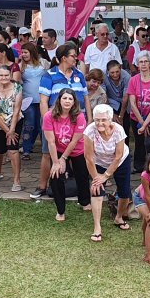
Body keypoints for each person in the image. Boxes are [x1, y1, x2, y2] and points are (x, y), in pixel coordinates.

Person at [31, 44, 89, 200]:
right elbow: (44, 102)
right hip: (54, 123)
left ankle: (79, 189)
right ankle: (42, 185)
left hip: (77, 123)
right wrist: (46, 123)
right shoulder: (49, 75)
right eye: (73, 55)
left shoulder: (79, 75)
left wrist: (89, 121)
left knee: (78, 155)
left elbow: (86, 99)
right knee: (47, 153)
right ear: (64, 58)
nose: (76, 58)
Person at [85, 103, 133, 238]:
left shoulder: (118, 130)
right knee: (96, 190)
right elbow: (88, 158)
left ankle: (119, 217)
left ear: (110, 119)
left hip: (120, 161)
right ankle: (97, 227)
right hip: (99, 161)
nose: (100, 123)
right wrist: (96, 179)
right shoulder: (89, 131)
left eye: (103, 120)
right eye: (97, 119)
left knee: (125, 192)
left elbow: (118, 156)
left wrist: (105, 176)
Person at [44, 88, 90, 222]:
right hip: (57, 149)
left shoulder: (80, 116)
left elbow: (75, 140)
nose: (67, 101)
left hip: (77, 148)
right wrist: (56, 162)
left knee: (82, 174)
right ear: (59, 100)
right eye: (64, 98)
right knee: (56, 176)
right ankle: (61, 210)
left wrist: (64, 158)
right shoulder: (49, 116)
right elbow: (51, 142)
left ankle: (85, 201)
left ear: (74, 102)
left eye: (70, 99)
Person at [0, 65, 24, 192]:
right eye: (1, 75)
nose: (4, 78)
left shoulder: (17, 87)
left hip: (14, 120)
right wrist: (7, 131)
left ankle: (16, 180)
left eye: (6, 75)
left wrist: (12, 130)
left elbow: (17, 109)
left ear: (11, 75)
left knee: (13, 150)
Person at [18, 43, 48, 159]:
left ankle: (45, 149)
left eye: (26, 52)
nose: (23, 55)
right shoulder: (21, 66)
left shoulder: (43, 63)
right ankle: (26, 149)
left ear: (32, 52)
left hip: (42, 99)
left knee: (41, 124)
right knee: (29, 124)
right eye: (22, 52)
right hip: (27, 99)